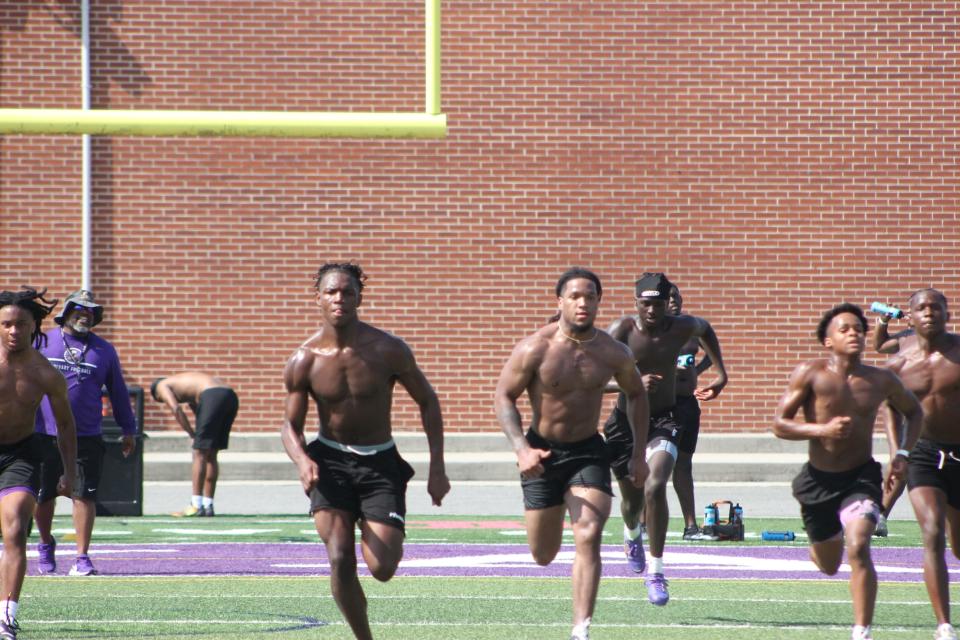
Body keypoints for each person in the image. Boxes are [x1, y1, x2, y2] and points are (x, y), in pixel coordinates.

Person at [281, 263, 449, 640]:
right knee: (339, 556)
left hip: (380, 463)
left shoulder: (388, 349)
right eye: (331, 292)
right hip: (329, 461)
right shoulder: (304, 359)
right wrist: (302, 459)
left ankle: (371, 521)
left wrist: (437, 466)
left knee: (383, 567)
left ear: (359, 297)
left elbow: (428, 401)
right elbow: (289, 426)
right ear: (318, 298)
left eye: (347, 292)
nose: (339, 298)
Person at [495, 267, 649, 640]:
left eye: (590, 297)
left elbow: (637, 394)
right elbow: (503, 396)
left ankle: (581, 629)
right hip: (542, 455)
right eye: (575, 296)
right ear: (560, 301)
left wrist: (638, 454)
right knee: (543, 554)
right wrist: (522, 448)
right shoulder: (535, 347)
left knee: (589, 533)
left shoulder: (613, 352)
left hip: (588, 453)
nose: (583, 303)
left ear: (598, 302)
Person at [774, 302, 923, 640]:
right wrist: (821, 431)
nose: (854, 333)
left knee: (858, 545)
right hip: (817, 481)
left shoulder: (881, 379)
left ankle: (862, 630)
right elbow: (780, 424)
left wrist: (902, 452)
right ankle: (821, 542)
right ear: (828, 341)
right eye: (845, 329)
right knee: (829, 565)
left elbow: (914, 413)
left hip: (862, 477)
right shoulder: (810, 373)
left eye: (858, 328)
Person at [603, 272, 727, 606]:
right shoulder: (621, 332)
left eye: (658, 304)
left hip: (665, 419)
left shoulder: (682, 327)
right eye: (646, 305)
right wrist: (631, 384)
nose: (653, 311)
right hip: (624, 423)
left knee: (655, 484)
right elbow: (593, 380)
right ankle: (631, 534)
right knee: (632, 501)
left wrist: (721, 372)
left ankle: (656, 572)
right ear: (636, 303)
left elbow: (706, 329)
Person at [33, 290, 137, 577]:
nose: (85, 315)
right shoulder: (41, 341)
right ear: (65, 312)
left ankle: (82, 556)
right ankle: (44, 543)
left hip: (87, 435)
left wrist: (129, 429)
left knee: (84, 495)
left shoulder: (104, 350)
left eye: (90, 312)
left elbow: (117, 392)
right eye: (79, 310)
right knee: (43, 495)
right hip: (44, 433)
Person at [0, 287, 76, 640]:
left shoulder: (45, 373)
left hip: (20, 454)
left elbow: (64, 425)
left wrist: (69, 471)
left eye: (21, 325)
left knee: (15, 529)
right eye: (6, 324)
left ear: (34, 327)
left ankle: (6, 618)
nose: (14, 331)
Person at [885, 289, 960, 640]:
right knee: (931, 532)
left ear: (947, 314)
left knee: (958, 545)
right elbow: (889, 406)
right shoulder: (899, 363)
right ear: (910, 317)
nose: (929, 312)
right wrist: (898, 452)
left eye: (936, 307)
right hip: (924, 454)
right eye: (922, 308)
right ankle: (944, 625)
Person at [150, 373, 239, 517]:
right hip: (230, 396)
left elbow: (176, 409)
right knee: (211, 453)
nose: (163, 400)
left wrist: (192, 434)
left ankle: (196, 505)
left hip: (212, 395)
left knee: (199, 453)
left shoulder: (161, 386)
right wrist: (198, 435)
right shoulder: (189, 387)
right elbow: (201, 414)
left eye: (161, 400)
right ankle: (208, 505)